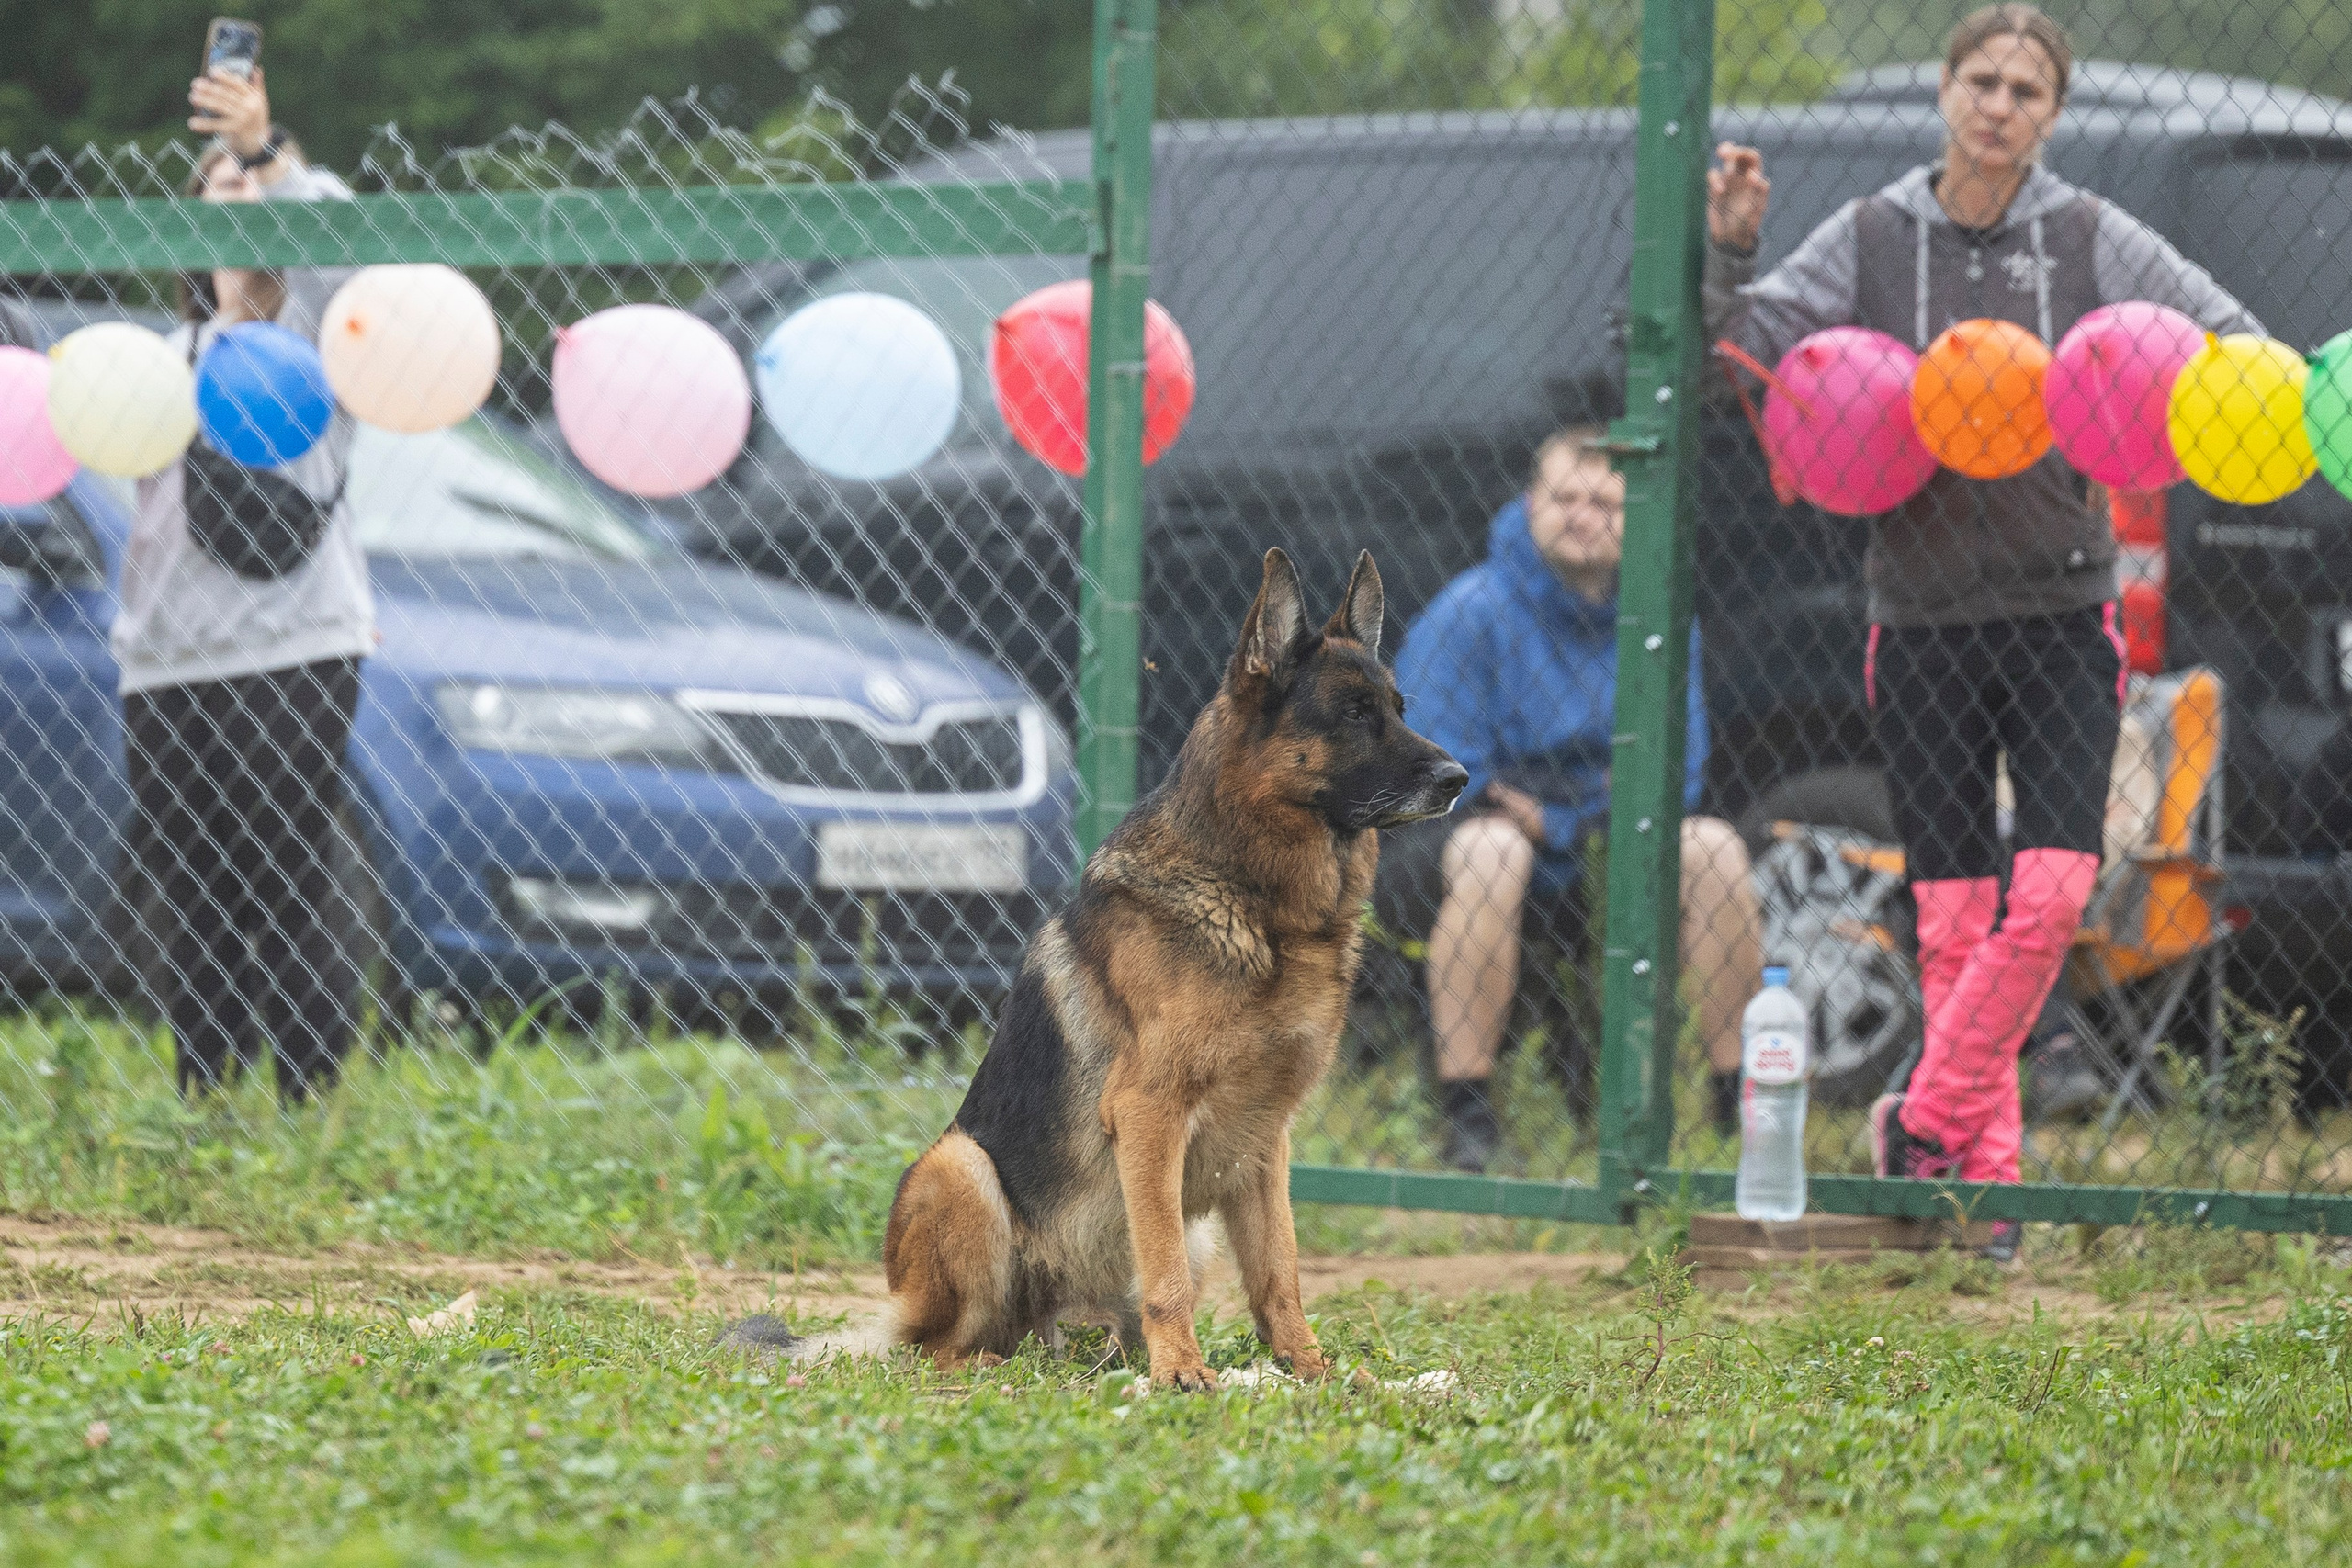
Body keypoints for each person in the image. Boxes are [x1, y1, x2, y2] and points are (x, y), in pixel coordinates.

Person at [1705, 4, 2261, 1256]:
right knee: (1956, 920)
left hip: (2065, 613)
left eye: (2026, 88)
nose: (2001, 103)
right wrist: (1729, 252)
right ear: (1946, 92)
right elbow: (1741, 355)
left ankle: (1926, 1110)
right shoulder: (1870, 238)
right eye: (1983, 79)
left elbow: (2223, 335)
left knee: (2056, 889)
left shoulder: (2085, 234)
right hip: (1920, 622)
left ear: (2053, 114)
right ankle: (1986, 1205)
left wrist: (2243, 391)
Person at [1379, 430, 1765, 1173]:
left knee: (1713, 845)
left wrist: (1557, 815)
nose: (1582, 515)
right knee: (1496, 848)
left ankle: (1736, 1105)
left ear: (1635, 518)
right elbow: (1434, 765)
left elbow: (1675, 770)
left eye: (1604, 502)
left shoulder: (1659, 618)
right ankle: (1470, 1115)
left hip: (1598, 843)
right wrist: (1570, 804)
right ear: (1531, 505)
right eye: (1564, 498)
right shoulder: (1473, 608)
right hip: (1454, 854)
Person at [116, 63, 373, 1101]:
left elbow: (349, 248)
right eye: (221, 193)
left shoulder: (323, 343)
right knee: (195, 892)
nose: (243, 207)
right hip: (166, 662)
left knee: (288, 877)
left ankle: (308, 1101)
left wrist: (267, 157)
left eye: (259, 191)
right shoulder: (154, 358)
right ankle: (204, 1098)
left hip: (294, 651)